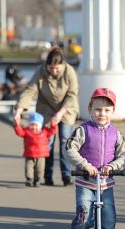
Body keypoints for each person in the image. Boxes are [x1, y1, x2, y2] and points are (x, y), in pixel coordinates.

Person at [64, 88, 125, 229]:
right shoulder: (83, 130)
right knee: (84, 218)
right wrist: (85, 165)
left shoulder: (116, 134)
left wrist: (113, 167)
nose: (102, 114)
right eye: (98, 109)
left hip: (106, 184)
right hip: (86, 183)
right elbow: (70, 149)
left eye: (107, 110)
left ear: (112, 111)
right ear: (90, 109)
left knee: (108, 223)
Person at [13, 47, 79, 187]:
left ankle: (66, 175)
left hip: (66, 110)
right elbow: (30, 90)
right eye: (51, 68)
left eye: (57, 68)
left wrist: (60, 113)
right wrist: (19, 110)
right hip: (46, 109)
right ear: (47, 65)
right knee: (46, 141)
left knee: (64, 141)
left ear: (63, 64)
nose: (54, 71)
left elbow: (72, 94)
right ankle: (47, 175)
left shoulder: (70, 72)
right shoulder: (41, 71)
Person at [13, 112, 57, 187]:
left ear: (40, 126)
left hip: (41, 156)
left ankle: (37, 180)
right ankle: (29, 179)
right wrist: (17, 124)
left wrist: (53, 124)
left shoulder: (45, 132)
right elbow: (19, 132)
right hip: (29, 155)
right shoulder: (27, 132)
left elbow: (53, 131)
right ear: (29, 125)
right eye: (32, 125)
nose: (34, 127)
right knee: (28, 168)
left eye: (36, 125)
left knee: (40, 170)